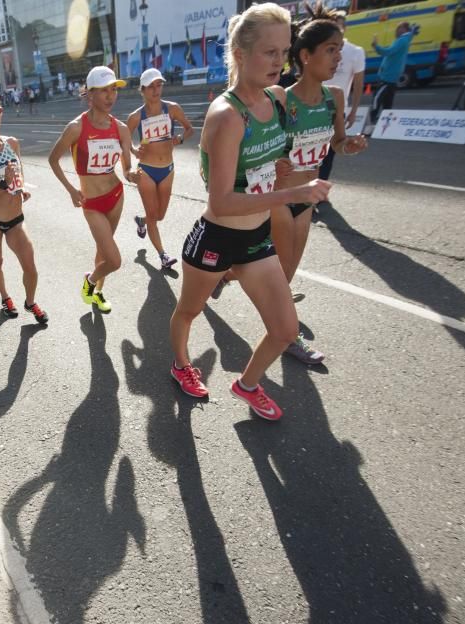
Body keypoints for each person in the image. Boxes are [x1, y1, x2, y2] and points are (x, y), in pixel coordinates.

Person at [169, 2, 331, 419]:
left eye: (284, 51)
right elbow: (220, 201)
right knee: (189, 311)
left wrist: (281, 171)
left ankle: (247, 384)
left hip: (256, 238)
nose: (279, 62)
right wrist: (290, 194)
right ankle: (181, 364)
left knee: (285, 330)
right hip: (218, 237)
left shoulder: (276, 100)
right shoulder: (226, 116)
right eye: (268, 52)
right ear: (240, 54)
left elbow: (267, 163)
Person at [273, 3, 368, 365]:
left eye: (340, 51)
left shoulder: (335, 98)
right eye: (331, 51)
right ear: (305, 55)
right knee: (281, 273)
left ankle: (224, 276)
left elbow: (337, 144)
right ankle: (288, 335)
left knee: (284, 270)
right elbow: (263, 146)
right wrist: (276, 162)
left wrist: (350, 145)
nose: (338, 59)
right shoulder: (282, 98)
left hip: (308, 197)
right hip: (280, 197)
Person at [48, 66, 138, 313]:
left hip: (116, 195)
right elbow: (53, 159)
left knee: (103, 252)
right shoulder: (76, 127)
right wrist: (70, 189)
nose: (111, 96)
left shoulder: (120, 128)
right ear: (89, 94)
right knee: (114, 260)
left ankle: (97, 293)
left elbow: (127, 165)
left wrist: (131, 174)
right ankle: (89, 282)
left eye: (113, 90)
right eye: (103, 91)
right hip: (91, 203)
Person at [0, 91, 48, 324]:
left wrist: (19, 188)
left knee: (30, 267)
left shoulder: (12, 143)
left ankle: (30, 302)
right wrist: (3, 183)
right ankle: (5, 298)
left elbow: (18, 172)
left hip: (16, 220)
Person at [125, 68, 195, 271]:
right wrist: (133, 150)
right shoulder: (136, 117)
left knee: (159, 215)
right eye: (151, 87)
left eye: (159, 85)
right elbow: (124, 138)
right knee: (154, 216)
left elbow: (189, 129)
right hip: (146, 170)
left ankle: (141, 221)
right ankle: (163, 256)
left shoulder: (172, 109)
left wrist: (180, 138)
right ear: (143, 90)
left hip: (167, 170)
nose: (156, 90)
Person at [319, 10, 365, 180]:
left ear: (344, 28)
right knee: (310, 154)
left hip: (337, 108)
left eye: (339, 26)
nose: (336, 57)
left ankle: (320, 190)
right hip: (314, 106)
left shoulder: (356, 52)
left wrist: (354, 111)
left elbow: (358, 83)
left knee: (330, 152)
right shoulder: (319, 49)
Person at [369, 21, 416, 131]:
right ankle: (386, 125)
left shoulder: (402, 40)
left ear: (403, 29)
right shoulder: (406, 39)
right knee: (388, 101)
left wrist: (376, 46)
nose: (396, 31)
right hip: (393, 75)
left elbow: (388, 52)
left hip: (387, 76)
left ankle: (372, 120)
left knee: (377, 98)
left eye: (398, 28)